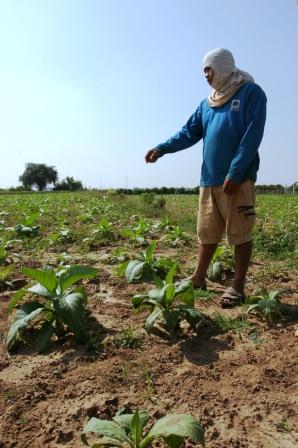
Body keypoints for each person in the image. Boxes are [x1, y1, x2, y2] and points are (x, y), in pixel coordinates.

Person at [145, 48, 267, 308]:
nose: (205, 75)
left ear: (222, 66)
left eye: (208, 69)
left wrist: (235, 171)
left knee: (240, 233)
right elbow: (188, 132)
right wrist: (162, 148)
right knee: (207, 232)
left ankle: (237, 286)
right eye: (204, 70)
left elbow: (252, 135)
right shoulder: (207, 103)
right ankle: (199, 277)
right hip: (209, 180)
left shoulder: (250, 93)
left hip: (239, 180)